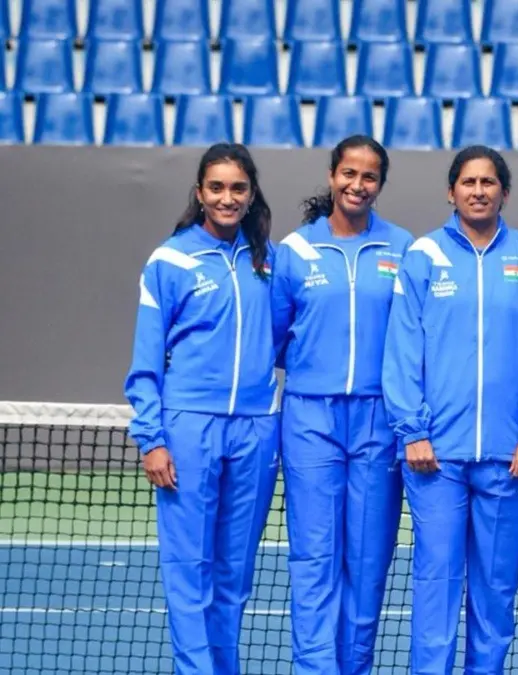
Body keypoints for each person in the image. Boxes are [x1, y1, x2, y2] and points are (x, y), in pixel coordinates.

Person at [382, 145, 518, 674]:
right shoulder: (423, 257)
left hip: (512, 460)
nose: (478, 191)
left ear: (504, 192)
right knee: (436, 589)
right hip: (433, 460)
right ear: (451, 190)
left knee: (495, 596)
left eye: (489, 182)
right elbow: (402, 351)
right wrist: (412, 431)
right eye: (468, 182)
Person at [124, 143, 280, 675]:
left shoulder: (268, 261)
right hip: (189, 429)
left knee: (234, 573)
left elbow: (284, 338)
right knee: (189, 570)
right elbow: (146, 361)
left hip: (257, 432)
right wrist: (153, 438)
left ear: (251, 193)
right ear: (199, 192)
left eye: (238, 188)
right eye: (216, 187)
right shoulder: (169, 261)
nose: (227, 197)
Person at [271, 135, 414, 675]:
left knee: (368, 563)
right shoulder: (295, 251)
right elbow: (278, 335)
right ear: (332, 176)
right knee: (314, 562)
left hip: (381, 423)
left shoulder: (403, 248)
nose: (358, 185)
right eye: (349, 174)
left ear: (380, 184)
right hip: (310, 420)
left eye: (370, 176)